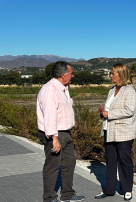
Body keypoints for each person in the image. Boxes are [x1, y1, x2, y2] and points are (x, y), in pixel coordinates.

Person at [37, 61, 85, 202]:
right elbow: (50, 115)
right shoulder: (50, 90)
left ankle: (67, 194)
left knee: (69, 162)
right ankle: (49, 198)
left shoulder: (62, 88)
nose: (73, 76)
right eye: (71, 73)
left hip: (65, 133)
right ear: (63, 75)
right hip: (55, 134)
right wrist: (54, 138)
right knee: (52, 166)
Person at [95, 63, 136, 201]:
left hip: (124, 132)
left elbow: (129, 110)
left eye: (113, 73)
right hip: (109, 130)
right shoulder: (112, 90)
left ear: (121, 74)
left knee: (124, 160)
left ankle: (127, 189)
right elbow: (109, 110)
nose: (110, 75)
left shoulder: (129, 90)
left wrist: (109, 113)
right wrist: (103, 113)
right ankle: (109, 190)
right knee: (110, 160)